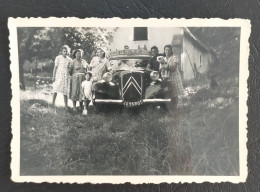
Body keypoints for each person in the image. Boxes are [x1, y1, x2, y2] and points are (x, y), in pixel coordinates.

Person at [160, 45, 184, 110]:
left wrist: (165, 67)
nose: (167, 51)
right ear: (164, 51)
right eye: (166, 50)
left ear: (171, 51)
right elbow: (160, 69)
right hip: (165, 77)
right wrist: (161, 68)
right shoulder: (163, 59)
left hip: (174, 77)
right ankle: (168, 108)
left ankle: (175, 108)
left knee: (175, 94)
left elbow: (173, 68)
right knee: (167, 93)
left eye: (169, 50)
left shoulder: (174, 57)